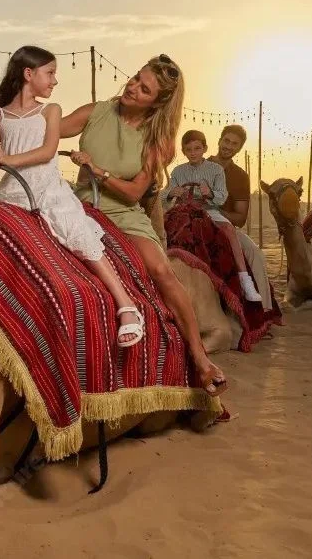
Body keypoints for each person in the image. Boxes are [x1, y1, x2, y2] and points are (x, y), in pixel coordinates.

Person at [60, 54, 227, 396]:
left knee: (161, 271)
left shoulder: (157, 140)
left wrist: (98, 171)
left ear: (158, 101)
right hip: (78, 204)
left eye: (144, 88)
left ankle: (199, 358)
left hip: (123, 212)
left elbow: (135, 190)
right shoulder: (97, 111)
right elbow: (55, 128)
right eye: (135, 78)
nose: (133, 87)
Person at [0, 46, 145, 347]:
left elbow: (46, 152)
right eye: (50, 73)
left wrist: (6, 160)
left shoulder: (50, 111)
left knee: (78, 233)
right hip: (12, 191)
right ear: (29, 74)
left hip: (46, 190)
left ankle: (126, 305)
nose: (55, 81)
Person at [164, 130, 263, 302]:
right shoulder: (179, 171)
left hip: (209, 211)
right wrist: (172, 192)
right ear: (219, 141)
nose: (193, 152)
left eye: (234, 144)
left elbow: (222, 197)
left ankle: (245, 280)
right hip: (183, 211)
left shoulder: (220, 171)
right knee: (163, 230)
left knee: (231, 232)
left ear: (204, 148)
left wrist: (209, 194)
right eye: (189, 149)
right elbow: (165, 194)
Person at [208, 124, 274, 311]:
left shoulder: (240, 176)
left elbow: (240, 218)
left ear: (239, 148)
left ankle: (263, 312)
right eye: (226, 141)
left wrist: (215, 211)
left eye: (234, 144)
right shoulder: (198, 166)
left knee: (255, 254)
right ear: (219, 141)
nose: (228, 146)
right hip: (193, 223)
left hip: (225, 227)